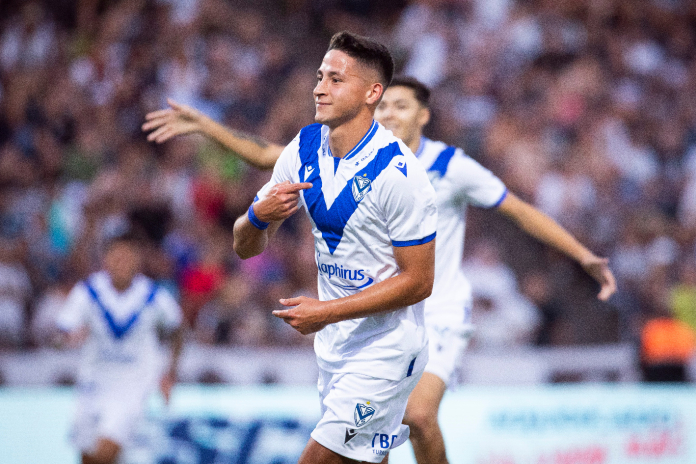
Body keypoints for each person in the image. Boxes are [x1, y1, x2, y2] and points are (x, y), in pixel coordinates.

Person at [144, 76, 616, 463]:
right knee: (374, 442)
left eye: (402, 106)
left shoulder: (448, 165)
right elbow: (269, 155)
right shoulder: (353, 158)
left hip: (437, 311)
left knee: (418, 416)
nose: (390, 114)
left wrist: (581, 255)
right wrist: (207, 127)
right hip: (374, 314)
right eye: (384, 105)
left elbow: (517, 210)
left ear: (423, 116)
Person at [240, 31, 437, 463]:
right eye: (320, 77)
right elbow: (245, 247)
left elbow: (420, 282)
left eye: (335, 79)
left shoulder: (399, 174)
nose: (319, 88)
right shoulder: (303, 148)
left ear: (372, 93)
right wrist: (257, 216)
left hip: (387, 349)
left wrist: (325, 311)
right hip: (335, 349)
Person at [57, 232, 184, 464]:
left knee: (105, 451)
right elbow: (63, 329)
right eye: (116, 257)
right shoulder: (89, 291)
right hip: (93, 382)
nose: (121, 263)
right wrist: (69, 337)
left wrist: (170, 373)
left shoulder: (153, 295)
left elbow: (177, 328)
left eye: (127, 257)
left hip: (132, 384)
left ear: (137, 260)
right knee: (87, 455)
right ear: (105, 259)